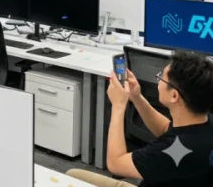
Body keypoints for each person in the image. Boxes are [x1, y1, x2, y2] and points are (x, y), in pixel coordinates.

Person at [68, 51, 213, 187]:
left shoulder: (172, 151)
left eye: (161, 78)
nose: (158, 82)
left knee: (72, 175)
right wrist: (137, 97)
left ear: (174, 95)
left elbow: (115, 163)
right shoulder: (203, 123)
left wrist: (118, 106)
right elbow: (165, 129)